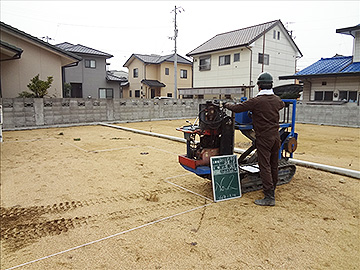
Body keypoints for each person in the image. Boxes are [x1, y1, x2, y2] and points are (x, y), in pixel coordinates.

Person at [224, 72, 285, 206]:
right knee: (274, 164)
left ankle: (269, 197)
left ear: (259, 86)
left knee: (264, 166)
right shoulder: (276, 100)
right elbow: (281, 105)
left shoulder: (256, 101)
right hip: (276, 137)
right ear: (271, 85)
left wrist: (226, 104)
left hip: (264, 138)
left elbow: (238, 108)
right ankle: (272, 188)